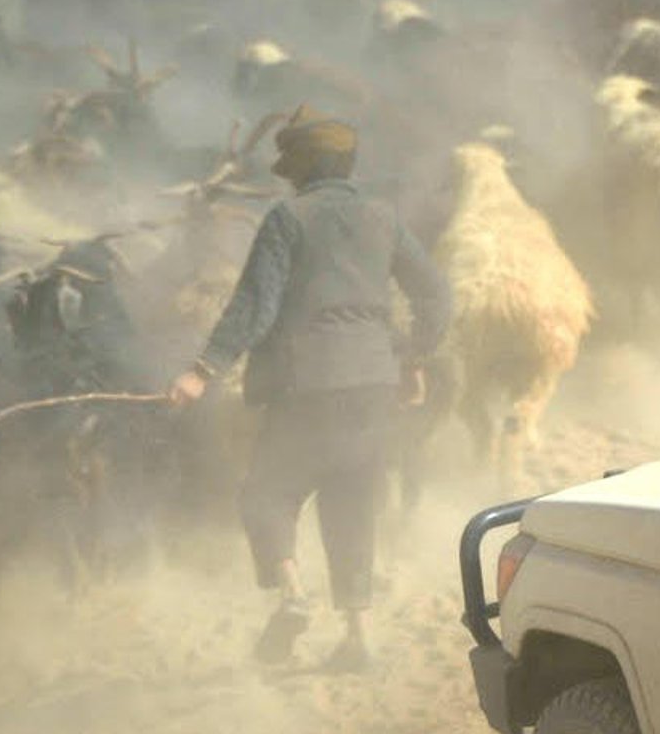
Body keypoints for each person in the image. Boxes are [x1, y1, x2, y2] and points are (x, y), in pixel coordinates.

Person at [169, 109, 451, 671]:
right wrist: (413, 355)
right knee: (353, 503)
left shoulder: (286, 219)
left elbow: (255, 305)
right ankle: (358, 638)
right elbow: (436, 296)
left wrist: (203, 368)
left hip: (306, 385)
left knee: (267, 494)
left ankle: (294, 596)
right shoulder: (383, 216)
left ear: (302, 168)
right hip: (374, 382)